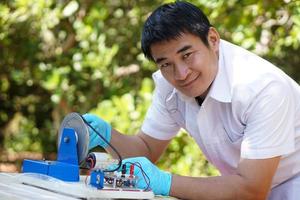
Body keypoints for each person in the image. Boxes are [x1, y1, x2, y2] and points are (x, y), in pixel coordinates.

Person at [83, 1, 300, 199]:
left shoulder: (263, 88)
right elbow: (146, 149)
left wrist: (163, 182)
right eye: (166, 64)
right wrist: (105, 135)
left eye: (187, 55)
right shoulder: (169, 86)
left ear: (213, 40)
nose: (181, 73)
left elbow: (251, 189)